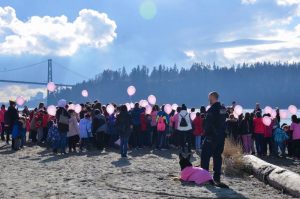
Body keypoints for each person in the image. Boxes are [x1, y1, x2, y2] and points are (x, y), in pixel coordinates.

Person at [201, 91, 227, 187]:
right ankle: (217, 178)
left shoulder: (212, 110)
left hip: (211, 137)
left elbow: (208, 124)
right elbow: (223, 121)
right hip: (221, 137)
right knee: (217, 157)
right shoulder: (223, 109)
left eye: (209, 98)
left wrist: (205, 132)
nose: (208, 100)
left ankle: (205, 178)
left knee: (205, 156)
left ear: (213, 97)